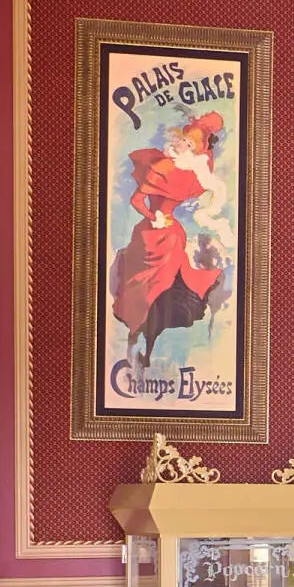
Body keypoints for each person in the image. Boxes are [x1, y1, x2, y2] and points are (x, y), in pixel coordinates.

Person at [106, 110, 229, 389]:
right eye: (183, 139)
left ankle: (154, 333)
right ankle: (137, 325)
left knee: (171, 271)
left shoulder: (190, 172)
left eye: (189, 143)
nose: (182, 144)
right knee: (145, 283)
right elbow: (137, 201)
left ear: (194, 151)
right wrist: (153, 217)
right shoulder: (161, 167)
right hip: (150, 232)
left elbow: (206, 173)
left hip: (171, 234)